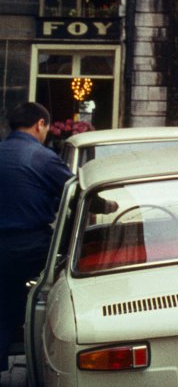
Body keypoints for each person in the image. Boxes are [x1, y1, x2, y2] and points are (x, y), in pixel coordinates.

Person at [0, 102, 71, 374]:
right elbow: (72, 191)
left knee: (3, 302)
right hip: (32, 247)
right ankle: (46, 354)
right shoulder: (41, 157)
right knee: (56, 290)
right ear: (40, 124)